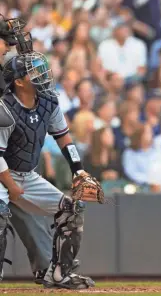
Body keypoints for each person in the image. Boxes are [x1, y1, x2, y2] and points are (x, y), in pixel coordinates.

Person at [0, 51, 100, 289]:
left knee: (73, 210)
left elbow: (63, 137)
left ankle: (59, 275)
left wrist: (79, 171)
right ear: (19, 81)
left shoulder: (49, 101)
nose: (41, 74)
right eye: (33, 71)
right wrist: (11, 187)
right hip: (4, 173)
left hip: (27, 175)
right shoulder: (4, 108)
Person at [0, 17, 78, 285]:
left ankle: (51, 271)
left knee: (46, 248)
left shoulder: (25, 84)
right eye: (6, 44)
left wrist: (23, 61)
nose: (9, 47)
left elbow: (20, 81)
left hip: (17, 166)